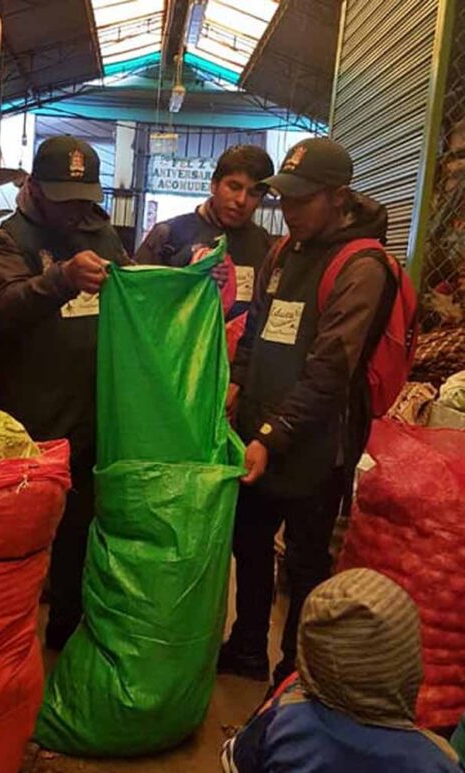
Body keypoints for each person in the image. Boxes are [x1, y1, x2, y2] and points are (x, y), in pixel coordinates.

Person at [219, 137, 397, 685]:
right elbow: (255, 330)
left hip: (316, 445)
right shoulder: (283, 252)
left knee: (304, 562)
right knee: (248, 544)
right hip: (260, 429)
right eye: (284, 198)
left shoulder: (362, 266)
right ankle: (247, 647)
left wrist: (272, 436)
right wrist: (237, 384)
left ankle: (292, 673)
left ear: (338, 197)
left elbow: (329, 372)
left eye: (302, 199)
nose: (288, 210)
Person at [0, 135, 129, 650]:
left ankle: (66, 632)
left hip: (90, 413)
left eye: (84, 198)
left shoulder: (101, 233)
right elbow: (8, 305)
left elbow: (131, 287)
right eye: (64, 198)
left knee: (78, 533)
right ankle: (7, 640)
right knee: (23, 535)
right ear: (35, 187)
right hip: (32, 418)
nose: (75, 210)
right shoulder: (6, 241)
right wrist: (62, 278)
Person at [221, 568, 464, 773]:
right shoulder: (437, 760)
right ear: (409, 667)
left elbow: (233, 760)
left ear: (309, 660)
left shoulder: (286, 719)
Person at [135, 145, 274, 324]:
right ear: (214, 184)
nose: (241, 200)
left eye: (253, 193)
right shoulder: (168, 235)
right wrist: (187, 281)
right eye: (234, 187)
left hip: (239, 342)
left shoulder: (264, 246)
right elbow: (136, 297)